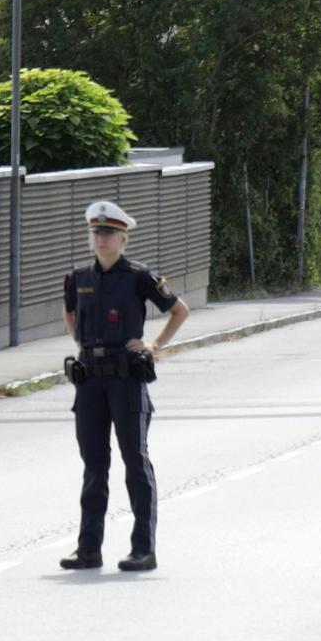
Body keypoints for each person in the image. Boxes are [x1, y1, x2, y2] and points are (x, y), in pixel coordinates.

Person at [60, 200, 189, 574]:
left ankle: (143, 549)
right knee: (94, 465)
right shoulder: (79, 278)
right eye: (96, 233)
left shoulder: (139, 276)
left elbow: (179, 310)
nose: (100, 239)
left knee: (135, 462)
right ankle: (88, 549)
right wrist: (79, 340)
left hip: (126, 380)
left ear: (123, 238)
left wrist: (154, 345)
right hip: (89, 380)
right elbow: (69, 311)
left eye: (108, 234)